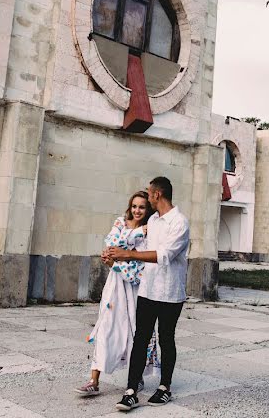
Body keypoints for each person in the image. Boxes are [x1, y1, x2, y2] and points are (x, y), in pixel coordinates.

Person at [107, 176, 190, 411]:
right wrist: (115, 256)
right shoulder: (152, 220)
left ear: (157, 195)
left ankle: (165, 387)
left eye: (149, 194)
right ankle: (131, 391)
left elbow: (164, 256)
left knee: (166, 338)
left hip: (170, 293)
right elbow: (139, 248)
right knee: (140, 339)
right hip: (147, 289)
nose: (148, 198)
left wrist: (128, 255)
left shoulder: (180, 222)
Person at [74, 191, 159, 397]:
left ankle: (136, 376)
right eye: (134, 206)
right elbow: (112, 244)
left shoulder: (150, 234)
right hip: (114, 289)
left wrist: (116, 262)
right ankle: (94, 380)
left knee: (134, 333)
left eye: (142, 207)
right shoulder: (121, 222)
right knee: (106, 328)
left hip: (135, 291)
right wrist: (128, 245)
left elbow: (137, 272)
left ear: (148, 210)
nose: (137, 210)